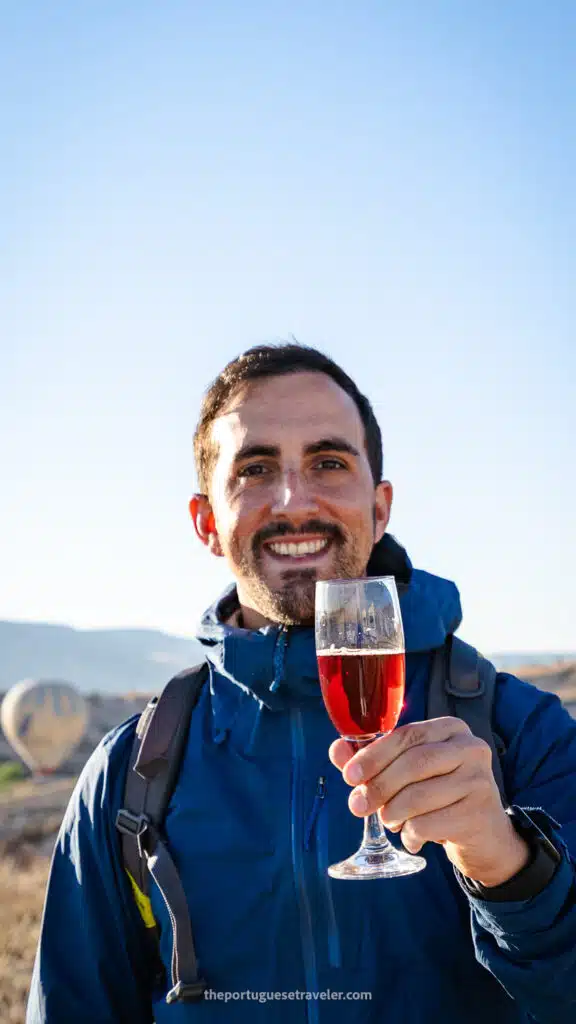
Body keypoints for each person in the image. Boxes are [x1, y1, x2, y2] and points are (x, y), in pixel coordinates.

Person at [27, 344, 576, 1024]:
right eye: (256, 469)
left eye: (328, 462)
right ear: (206, 523)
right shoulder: (128, 774)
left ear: (380, 508)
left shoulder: (525, 734)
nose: (294, 501)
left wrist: (512, 870)